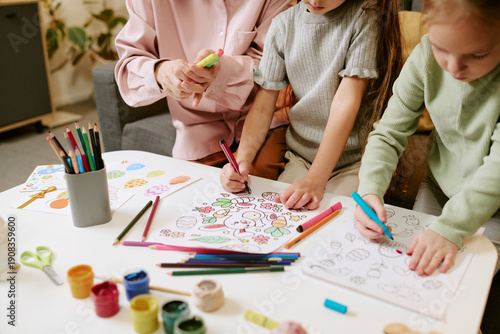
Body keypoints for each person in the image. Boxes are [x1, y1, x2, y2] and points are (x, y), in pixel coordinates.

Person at [354, 0, 500, 278]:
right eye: (442, 48)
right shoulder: (424, 56)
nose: (454, 68)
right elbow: (388, 132)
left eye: (478, 55)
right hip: (439, 189)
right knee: (412, 271)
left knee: (460, 282)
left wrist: (449, 230)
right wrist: (370, 189)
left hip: (495, 202)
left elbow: (497, 173)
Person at [220, 0, 403, 209]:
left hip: (355, 162)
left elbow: (346, 102)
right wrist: (242, 161)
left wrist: (316, 180)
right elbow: (263, 106)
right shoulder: (282, 25)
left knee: (340, 221)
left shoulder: (364, 17)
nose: (316, 1)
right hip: (300, 157)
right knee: (280, 214)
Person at [114, 0, 292, 178]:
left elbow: (275, 65)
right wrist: (160, 73)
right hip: (196, 131)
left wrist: (222, 73)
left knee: (259, 190)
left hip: (267, 117)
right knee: (190, 197)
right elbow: (128, 71)